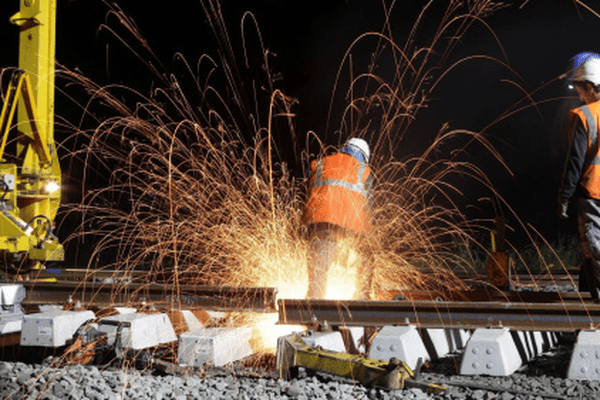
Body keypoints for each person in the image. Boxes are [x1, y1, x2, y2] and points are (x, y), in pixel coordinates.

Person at [303, 137, 373, 299]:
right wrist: (369, 238)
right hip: (351, 225)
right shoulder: (364, 171)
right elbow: (369, 207)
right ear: (364, 157)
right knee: (366, 258)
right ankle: (361, 301)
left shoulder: (320, 164)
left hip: (320, 222)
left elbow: (307, 196)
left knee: (319, 269)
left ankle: (313, 307)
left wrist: (304, 227)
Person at [558, 52, 600, 301]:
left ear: (591, 87)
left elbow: (574, 161)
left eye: (579, 88)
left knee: (594, 248)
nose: (578, 94)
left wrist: (564, 196)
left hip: (593, 193)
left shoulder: (584, 115)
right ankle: (590, 294)